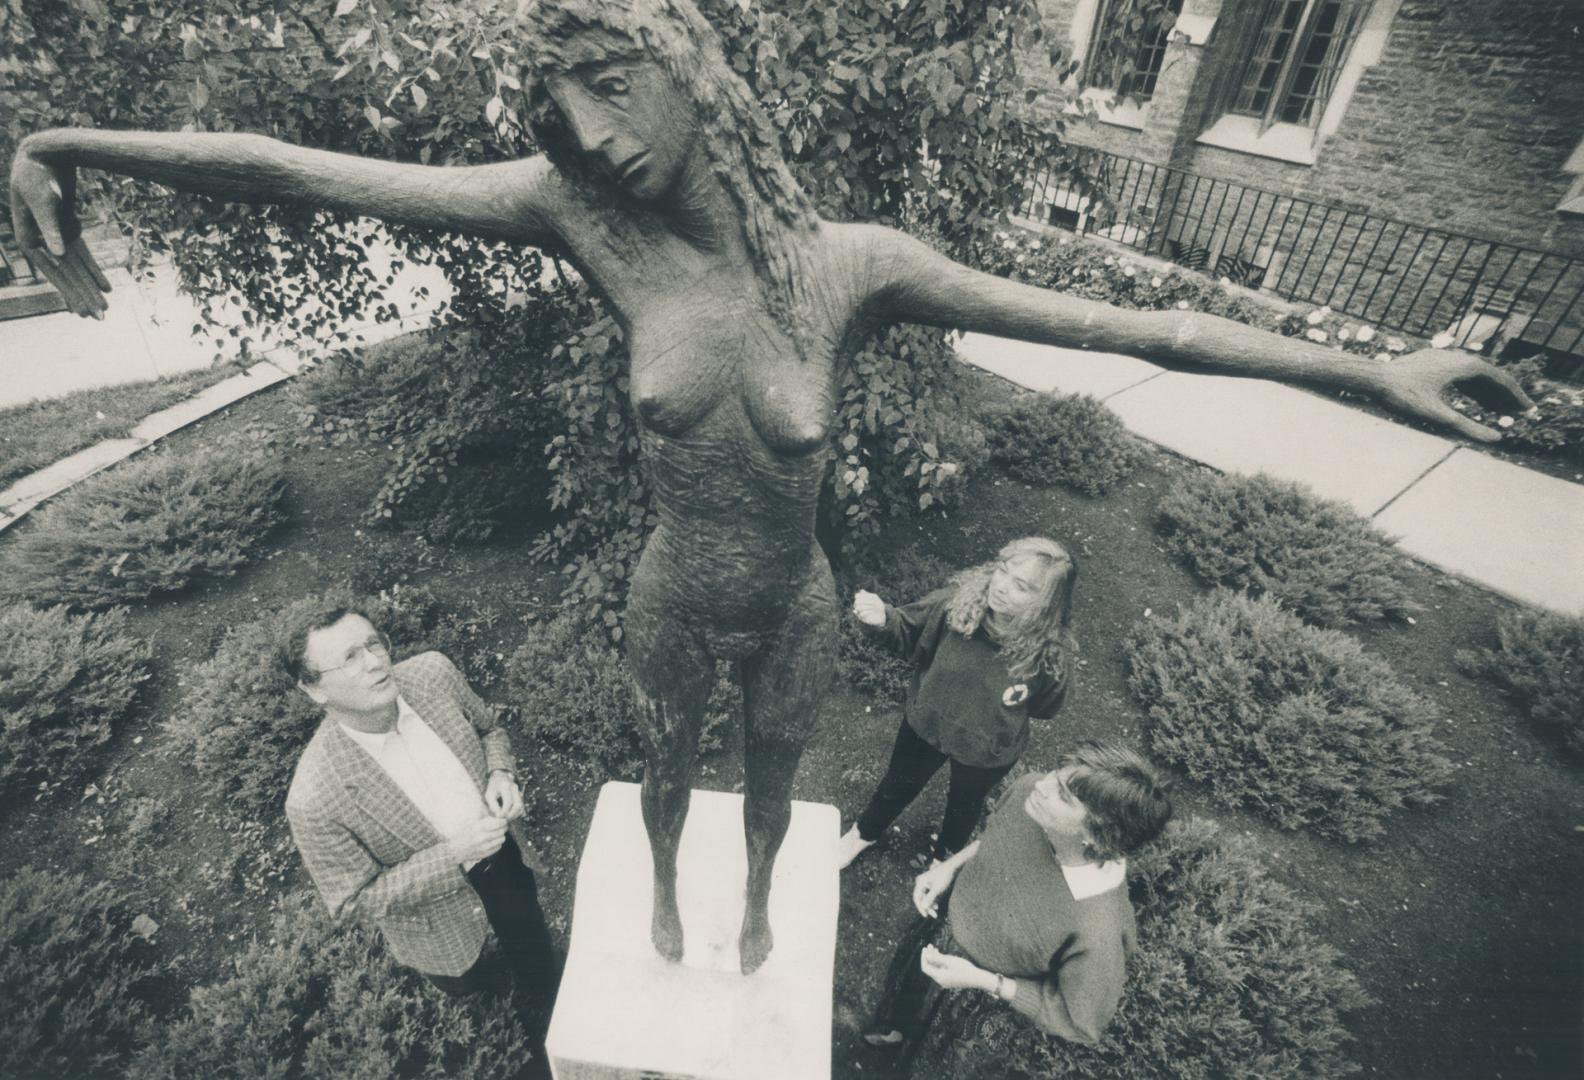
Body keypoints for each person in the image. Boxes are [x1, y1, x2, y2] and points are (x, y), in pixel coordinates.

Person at [6, 0, 1529, 975]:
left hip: (793, 599)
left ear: (689, 77)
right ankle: (667, 896)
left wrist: (1369, 375)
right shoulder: (581, 221)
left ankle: (747, 905)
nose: (588, 137)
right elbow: (292, 165)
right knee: (666, 778)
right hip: (675, 589)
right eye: (562, 116)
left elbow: (1146, 325)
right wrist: (62, 135)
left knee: (777, 785)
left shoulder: (852, 267)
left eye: (607, 90)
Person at [281, 604, 560, 1014]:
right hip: (437, 926)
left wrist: (500, 772)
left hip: (505, 860)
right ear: (314, 689)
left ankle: (544, 994)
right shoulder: (314, 799)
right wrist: (453, 855)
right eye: (350, 659)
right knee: (473, 990)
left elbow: (489, 728)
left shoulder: (434, 673)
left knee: (533, 946)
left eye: (374, 643)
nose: (376, 662)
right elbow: (353, 902)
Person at [863, 742, 1173, 1055]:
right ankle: (895, 1031)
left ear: (1096, 835)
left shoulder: (1098, 929)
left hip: (982, 988)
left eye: (1062, 795)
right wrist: (949, 866)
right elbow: (997, 832)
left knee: (931, 1053)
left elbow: (1081, 1022)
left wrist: (983, 981)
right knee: (906, 994)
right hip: (947, 928)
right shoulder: (1030, 793)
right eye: (1055, 773)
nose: (1040, 784)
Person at [838, 537, 1076, 869]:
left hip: (986, 751)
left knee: (964, 805)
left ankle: (943, 862)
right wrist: (884, 619)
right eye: (1002, 571)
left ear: (1046, 604)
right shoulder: (953, 606)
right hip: (926, 725)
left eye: (1021, 586)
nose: (1002, 587)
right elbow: (908, 631)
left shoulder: (1049, 655)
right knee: (897, 784)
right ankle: (865, 833)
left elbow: (1046, 706)